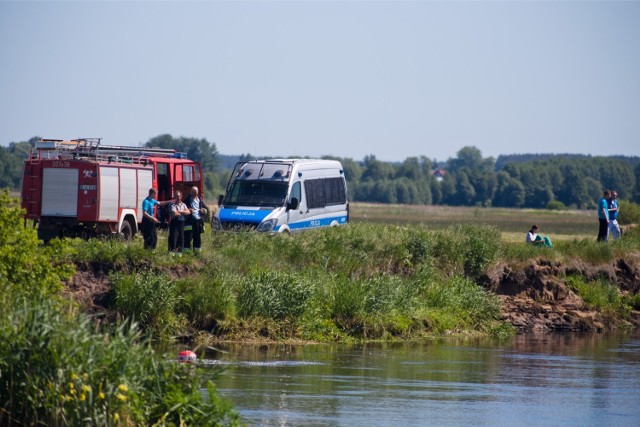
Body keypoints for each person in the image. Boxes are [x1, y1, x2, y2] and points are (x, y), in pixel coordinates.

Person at [183, 186, 209, 253]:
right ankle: (186, 253)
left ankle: (197, 253)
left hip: (198, 221)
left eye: (195, 192)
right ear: (190, 192)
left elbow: (206, 209)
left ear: (197, 192)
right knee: (188, 237)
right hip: (189, 222)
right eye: (193, 192)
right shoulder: (186, 201)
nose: (194, 193)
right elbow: (182, 210)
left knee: (197, 238)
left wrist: (203, 211)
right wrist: (188, 210)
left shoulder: (199, 200)